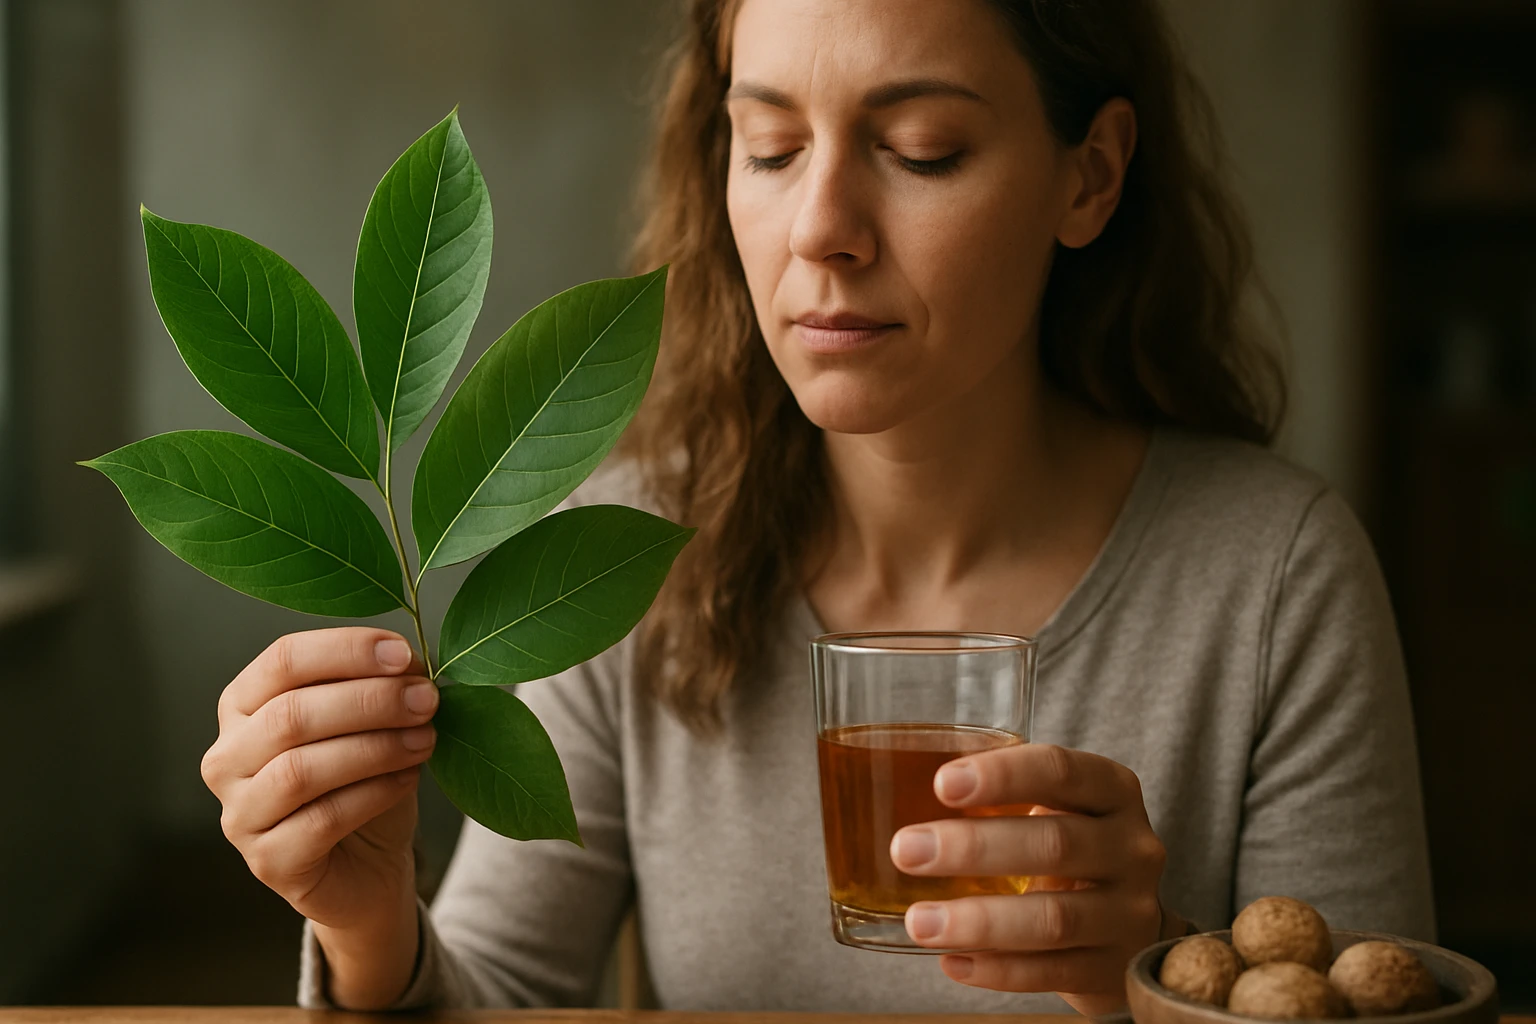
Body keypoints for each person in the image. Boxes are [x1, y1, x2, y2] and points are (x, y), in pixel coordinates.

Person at [198, 0, 1435, 1014]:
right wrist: (369, 927)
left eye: (923, 150)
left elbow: (1361, 998)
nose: (821, 229)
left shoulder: (1275, 575)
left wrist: (1153, 967)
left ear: (1091, 175)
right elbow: (505, 994)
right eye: (772, 147)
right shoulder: (620, 557)